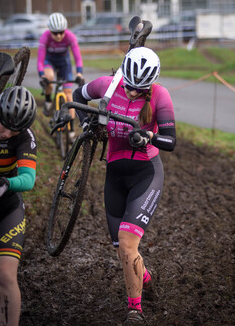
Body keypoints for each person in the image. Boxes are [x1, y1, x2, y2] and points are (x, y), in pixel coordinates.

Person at [73, 46, 176, 324]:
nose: (131, 93)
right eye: (128, 86)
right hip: (115, 175)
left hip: (146, 173)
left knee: (129, 244)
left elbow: (171, 140)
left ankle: (134, 311)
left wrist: (148, 137)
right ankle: (144, 277)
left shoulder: (160, 95)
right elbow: (77, 96)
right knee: (122, 249)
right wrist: (86, 124)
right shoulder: (107, 86)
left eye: (138, 90)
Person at [0, 86, 37, 326]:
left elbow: (28, 178)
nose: (6, 134)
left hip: (6, 209)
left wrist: (6, 183)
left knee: (4, 277)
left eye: (13, 131)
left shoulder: (24, 136)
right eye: (4, 125)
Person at [37, 12, 84, 143]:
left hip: (65, 64)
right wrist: (42, 76)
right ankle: (47, 102)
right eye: (55, 33)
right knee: (50, 78)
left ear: (65, 30)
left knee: (69, 95)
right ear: (50, 31)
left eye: (61, 32)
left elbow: (77, 57)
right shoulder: (45, 37)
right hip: (49, 62)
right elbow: (40, 61)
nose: (58, 36)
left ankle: (71, 132)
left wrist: (79, 73)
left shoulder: (70, 36)